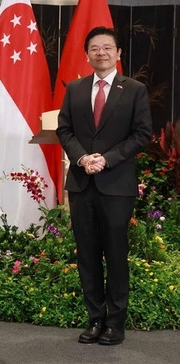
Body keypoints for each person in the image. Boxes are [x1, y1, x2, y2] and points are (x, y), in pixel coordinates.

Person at [56, 26, 151, 345]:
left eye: (107, 47)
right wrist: (83, 159)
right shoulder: (76, 89)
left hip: (116, 184)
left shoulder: (134, 89)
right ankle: (94, 318)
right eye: (94, 48)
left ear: (118, 53)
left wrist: (106, 159)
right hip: (82, 183)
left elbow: (141, 135)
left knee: (115, 252)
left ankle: (115, 322)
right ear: (87, 54)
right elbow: (64, 130)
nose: (101, 52)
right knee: (87, 254)